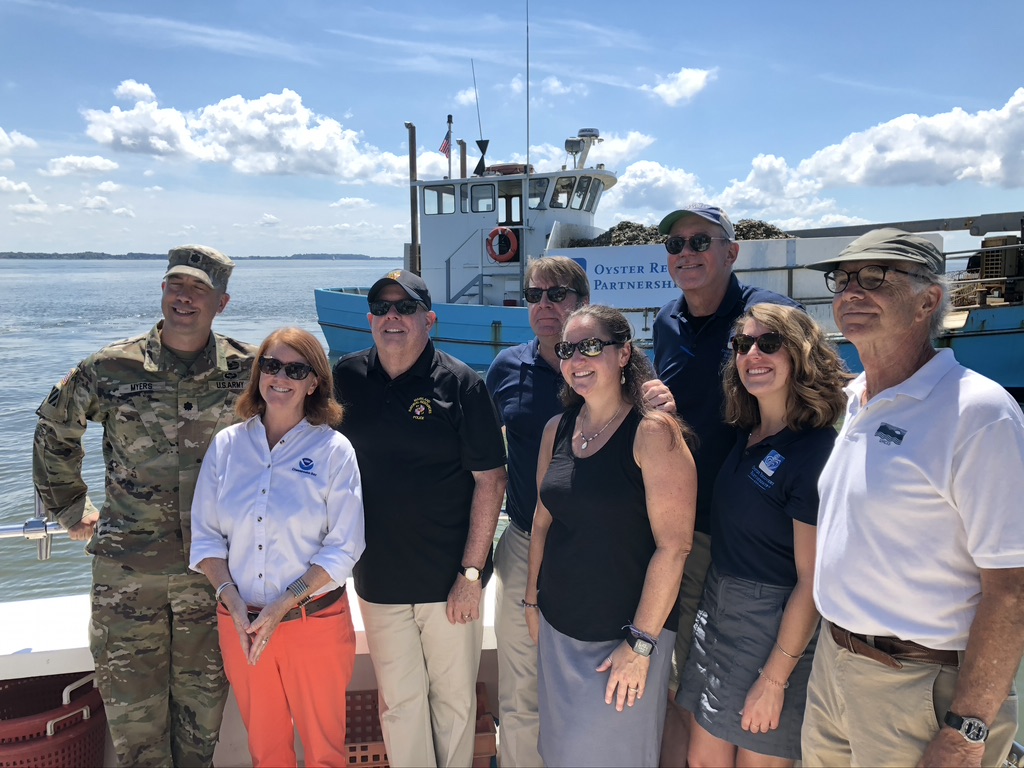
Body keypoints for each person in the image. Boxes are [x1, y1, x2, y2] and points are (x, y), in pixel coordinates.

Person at [801, 228, 1024, 767]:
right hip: (835, 667)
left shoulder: (978, 413)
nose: (852, 292)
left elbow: (1012, 587)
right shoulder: (855, 398)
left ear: (928, 301)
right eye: (844, 279)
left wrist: (966, 731)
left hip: (919, 687)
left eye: (877, 278)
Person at [32, 245, 256, 766]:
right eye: (176, 284)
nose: (185, 297)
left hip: (214, 577)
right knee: (137, 735)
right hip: (128, 579)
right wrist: (70, 508)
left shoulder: (249, 370)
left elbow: (291, 444)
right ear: (162, 290)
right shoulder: (110, 367)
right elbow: (55, 430)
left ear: (221, 303)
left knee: (201, 731)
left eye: (199, 289)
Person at [332, 269, 508, 768]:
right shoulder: (345, 378)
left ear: (428, 319)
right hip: (377, 576)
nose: (393, 317)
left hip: (448, 579)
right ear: (370, 319)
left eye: (405, 308)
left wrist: (471, 576)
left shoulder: (461, 383)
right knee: (399, 706)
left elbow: (491, 481)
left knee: (453, 704)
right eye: (383, 308)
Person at [651, 202, 801, 764]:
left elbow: (814, 397)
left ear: (730, 252)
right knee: (686, 675)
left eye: (699, 242)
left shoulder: (767, 315)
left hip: (758, 539)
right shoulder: (667, 322)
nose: (686, 253)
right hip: (689, 530)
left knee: (757, 687)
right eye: (675, 245)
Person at [525, 304, 698, 768]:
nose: (577, 360)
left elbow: (675, 546)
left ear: (623, 354)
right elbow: (544, 520)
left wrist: (640, 644)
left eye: (591, 347)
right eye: (567, 349)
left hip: (622, 638)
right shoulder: (555, 430)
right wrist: (530, 601)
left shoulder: (653, 432)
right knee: (560, 755)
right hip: (560, 628)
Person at [677, 305, 849, 767]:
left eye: (769, 343)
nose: (753, 353)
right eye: (742, 344)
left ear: (800, 355)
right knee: (702, 759)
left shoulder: (814, 452)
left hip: (772, 628)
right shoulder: (748, 434)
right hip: (717, 613)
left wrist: (774, 681)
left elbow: (811, 583)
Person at [190, 327, 365, 767]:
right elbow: (207, 537)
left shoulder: (333, 450)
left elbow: (344, 546)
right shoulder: (227, 446)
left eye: (295, 368)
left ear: (314, 382)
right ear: (258, 374)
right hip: (240, 624)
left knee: (326, 753)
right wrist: (230, 600)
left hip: (315, 625)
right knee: (266, 751)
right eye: (271, 365)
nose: (280, 377)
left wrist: (281, 606)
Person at [485, 256, 589, 768]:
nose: (544, 305)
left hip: (592, 550)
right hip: (525, 541)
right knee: (520, 685)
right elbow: (480, 462)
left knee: (582, 681)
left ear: (582, 301)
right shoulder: (507, 367)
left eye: (557, 294)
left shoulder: (615, 367)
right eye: (533, 295)